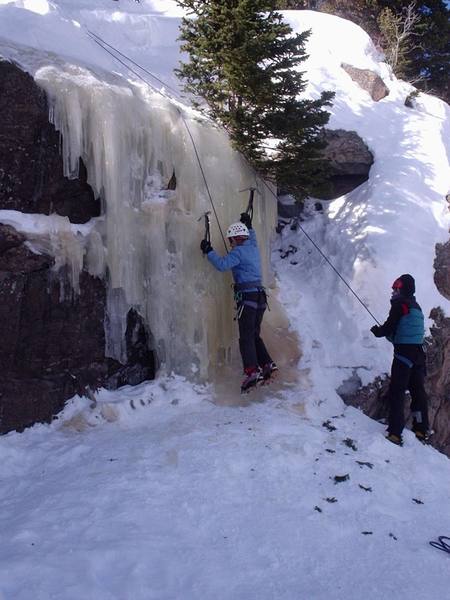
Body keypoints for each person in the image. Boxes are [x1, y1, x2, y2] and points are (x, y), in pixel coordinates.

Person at [200, 212, 277, 393]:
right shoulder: (252, 246)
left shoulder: (238, 252)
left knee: (246, 337)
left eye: (230, 240)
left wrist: (208, 250)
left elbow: (221, 265)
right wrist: (249, 225)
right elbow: (253, 237)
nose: (230, 244)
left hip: (248, 298)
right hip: (260, 298)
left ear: (235, 239)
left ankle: (252, 371)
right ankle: (267, 364)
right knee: (254, 334)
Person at [370, 274, 429, 446]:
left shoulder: (399, 305)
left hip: (404, 354)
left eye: (396, 288)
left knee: (397, 391)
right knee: (418, 392)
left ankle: (395, 433)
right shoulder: (416, 306)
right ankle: (421, 429)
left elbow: (390, 326)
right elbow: (404, 329)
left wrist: (377, 331)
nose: (393, 292)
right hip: (418, 355)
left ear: (402, 289)